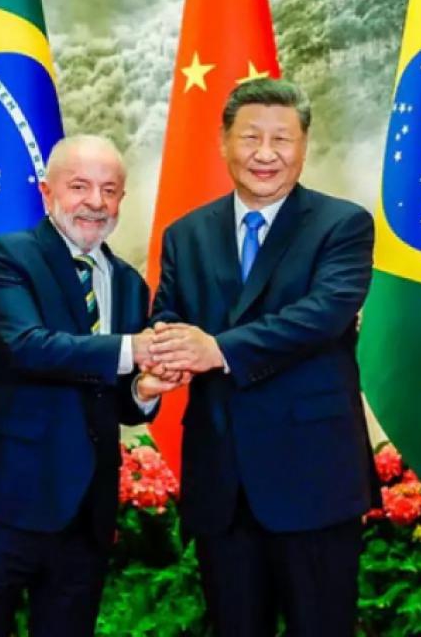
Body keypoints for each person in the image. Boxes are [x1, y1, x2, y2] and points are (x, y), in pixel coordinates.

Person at [148, 78, 378, 637]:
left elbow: (320, 317)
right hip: (221, 481)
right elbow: (168, 315)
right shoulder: (186, 234)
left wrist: (216, 349)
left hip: (313, 476)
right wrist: (165, 350)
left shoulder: (342, 225)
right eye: (251, 137)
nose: (266, 153)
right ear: (224, 141)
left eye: (282, 139)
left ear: (304, 146)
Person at [0, 134, 177, 637]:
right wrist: (134, 350)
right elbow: (26, 346)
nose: (96, 202)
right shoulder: (7, 257)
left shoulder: (130, 283)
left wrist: (145, 390)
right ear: (47, 192)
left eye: (109, 190)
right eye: (80, 186)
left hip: (84, 516)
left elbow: (117, 398)